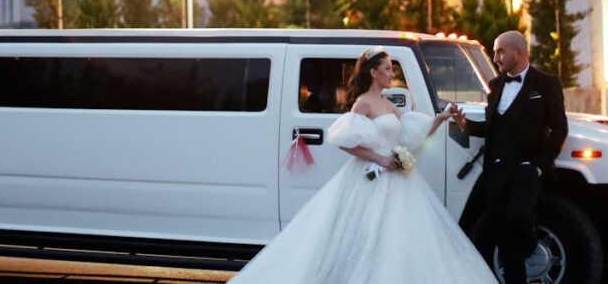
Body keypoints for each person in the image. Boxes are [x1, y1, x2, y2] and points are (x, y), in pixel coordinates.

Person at [229, 46, 497, 284]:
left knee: (399, 234)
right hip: (371, 176)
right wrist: (379, 158)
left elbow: (410, 136)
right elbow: (343, 139)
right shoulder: (363, 103)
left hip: (398, 179)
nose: (392, 74)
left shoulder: (389, 105)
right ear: (373, 73)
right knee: (366, 232)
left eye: (391, 69)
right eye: (387, 69)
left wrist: (441, 118)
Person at [451, 31, 568, 284]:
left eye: (500, 51)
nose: (495, 58)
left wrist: (537, 167)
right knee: (504, 237)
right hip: (496, 172)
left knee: (517, 218)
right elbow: (492, 128)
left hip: (526, 172)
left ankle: (531, 241)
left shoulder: (546, 84)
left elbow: (560, 129)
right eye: (494, 52)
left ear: (518, 51)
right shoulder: (495, 86)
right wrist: (465, 124)